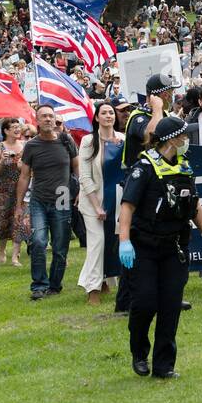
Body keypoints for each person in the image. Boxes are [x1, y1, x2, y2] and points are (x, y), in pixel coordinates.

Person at [117, 116, 202, 379]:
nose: (187, 140)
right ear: (172, 139)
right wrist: (124, 241)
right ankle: (139, 352)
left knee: (171, 304)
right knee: (146, 302)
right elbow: (127, 205)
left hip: (174, 246)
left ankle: (164, 365)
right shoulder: (145, 167)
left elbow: (194, 203)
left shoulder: (183, 167)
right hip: (144, 246)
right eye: (184, 136)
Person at [15, 103, 79, 300]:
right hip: (39, 199)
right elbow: (25, 176)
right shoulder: (32, 146)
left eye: (51, 116)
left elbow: (77, 169)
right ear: (37, 121)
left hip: (62, 197)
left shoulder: (67, 141)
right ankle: (39, 286)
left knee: (60, 246)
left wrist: (79, 192)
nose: (48, 119)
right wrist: (19, 205)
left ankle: (55, 284)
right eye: (44, 116)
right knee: (39, 242)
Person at [76, 101, 120, 304]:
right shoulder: (88, 141)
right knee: (97, 242)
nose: (108, 116)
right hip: (91, 202)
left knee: (112, 242)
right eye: (104, 113)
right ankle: (91, 289)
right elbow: (84, 177)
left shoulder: (123, 140)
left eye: (111, 112)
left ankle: (105, 282)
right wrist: (96, 206)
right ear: (96, 117)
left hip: (116, 202)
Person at [0, 117, 31, 266]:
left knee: (18, 220)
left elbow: (29, 170)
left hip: (21, 188)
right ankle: (2, 252)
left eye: (18, 126)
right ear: (6, 131)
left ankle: (15, 256)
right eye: (13, 127)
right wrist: (2, 161)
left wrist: (21, 165)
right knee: (3, 221)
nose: (17, 129)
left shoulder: (26, 146)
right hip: (3, 189)